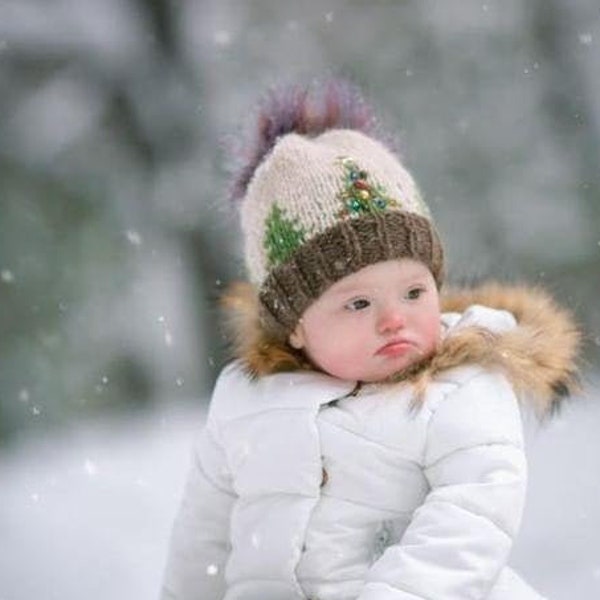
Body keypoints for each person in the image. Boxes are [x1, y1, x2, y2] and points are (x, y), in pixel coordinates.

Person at [160, 79, 580, 600]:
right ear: (294, 323)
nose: (393, 319)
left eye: (412, 291)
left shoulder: (461, 387)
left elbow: (472, 513)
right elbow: (203, 538)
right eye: (358, 303)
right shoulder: (244, 404)